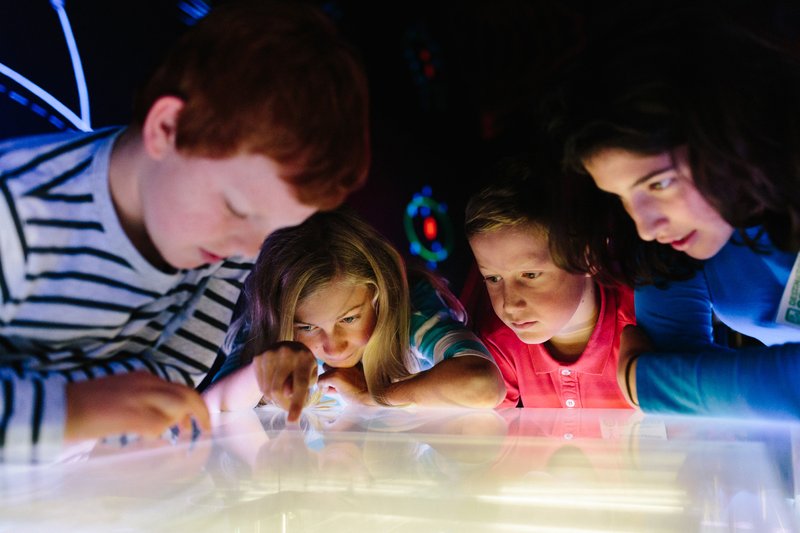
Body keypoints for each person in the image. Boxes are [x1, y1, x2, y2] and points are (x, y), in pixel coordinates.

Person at [0, 0, 369, 460]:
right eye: (236, 208)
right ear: (167, 128)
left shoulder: (228, 243)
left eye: (273, 230)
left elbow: (168, 382)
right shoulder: (16, 211)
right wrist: (74, 409)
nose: (251, 249)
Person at [552, 6, 800, 417]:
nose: (646, 226)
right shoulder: (670, 239)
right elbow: (674, 360)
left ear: (730, 129)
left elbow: (666, 377)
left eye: (659, 183)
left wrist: (641, 382)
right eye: (621, 196)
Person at [203, 208, 506, 421]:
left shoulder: (409, 313)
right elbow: (211, 407)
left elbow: (484, 385)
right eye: (307, 327)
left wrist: (378, 396)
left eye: (348, 319)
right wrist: (262, 371)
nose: (333, 346)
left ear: (377, 296)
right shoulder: (269, 328)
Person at [461, 156, 635, 408]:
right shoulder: (500, 344)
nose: (510, 305)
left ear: (588, 257)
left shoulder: (641, 324)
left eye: (530, 275)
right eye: (493, 278)